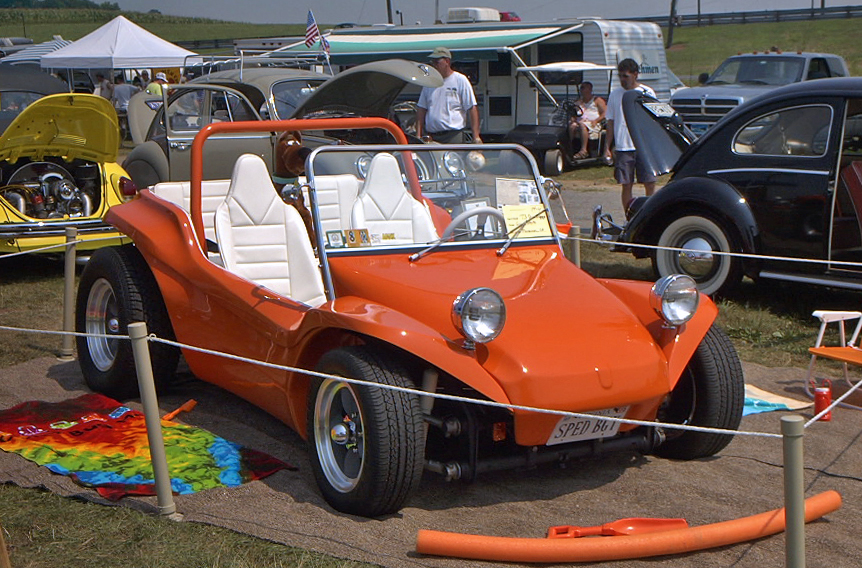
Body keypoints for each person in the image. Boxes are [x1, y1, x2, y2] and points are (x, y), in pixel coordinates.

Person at [604, 58, 656, 209]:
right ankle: (629, 217)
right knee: (626, 184)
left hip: (643, 146)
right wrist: (607, 146)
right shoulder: (615, 94)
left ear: (635, 75)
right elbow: (611, 122)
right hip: (623, 146)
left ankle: (650, 213)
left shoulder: (646, 92)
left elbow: (653, 119)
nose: (622, 80)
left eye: (625, 76)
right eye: (620, 76)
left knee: (649, 182)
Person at [416, 47, 482, 143]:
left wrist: (476, 137)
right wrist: (418, 135)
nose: (434, 65)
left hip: (454, 135)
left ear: (447, 61)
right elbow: (421, 108)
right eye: (432, 62)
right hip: (432, 136)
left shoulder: (460, 80)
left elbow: (471, 107)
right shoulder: (429, 82)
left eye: (437, 62)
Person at [572, 81, 606, 159]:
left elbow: (605, 113)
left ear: (589, 89)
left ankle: (584, 150)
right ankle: (571, 148)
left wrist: (596, 121)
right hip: (581, 121)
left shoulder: (597, 100)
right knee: (572, 126)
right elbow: (574, 113)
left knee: (582, 124)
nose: (581, 90)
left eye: (583, 88)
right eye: (581, 88)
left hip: (594, 123)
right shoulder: (579, 101)